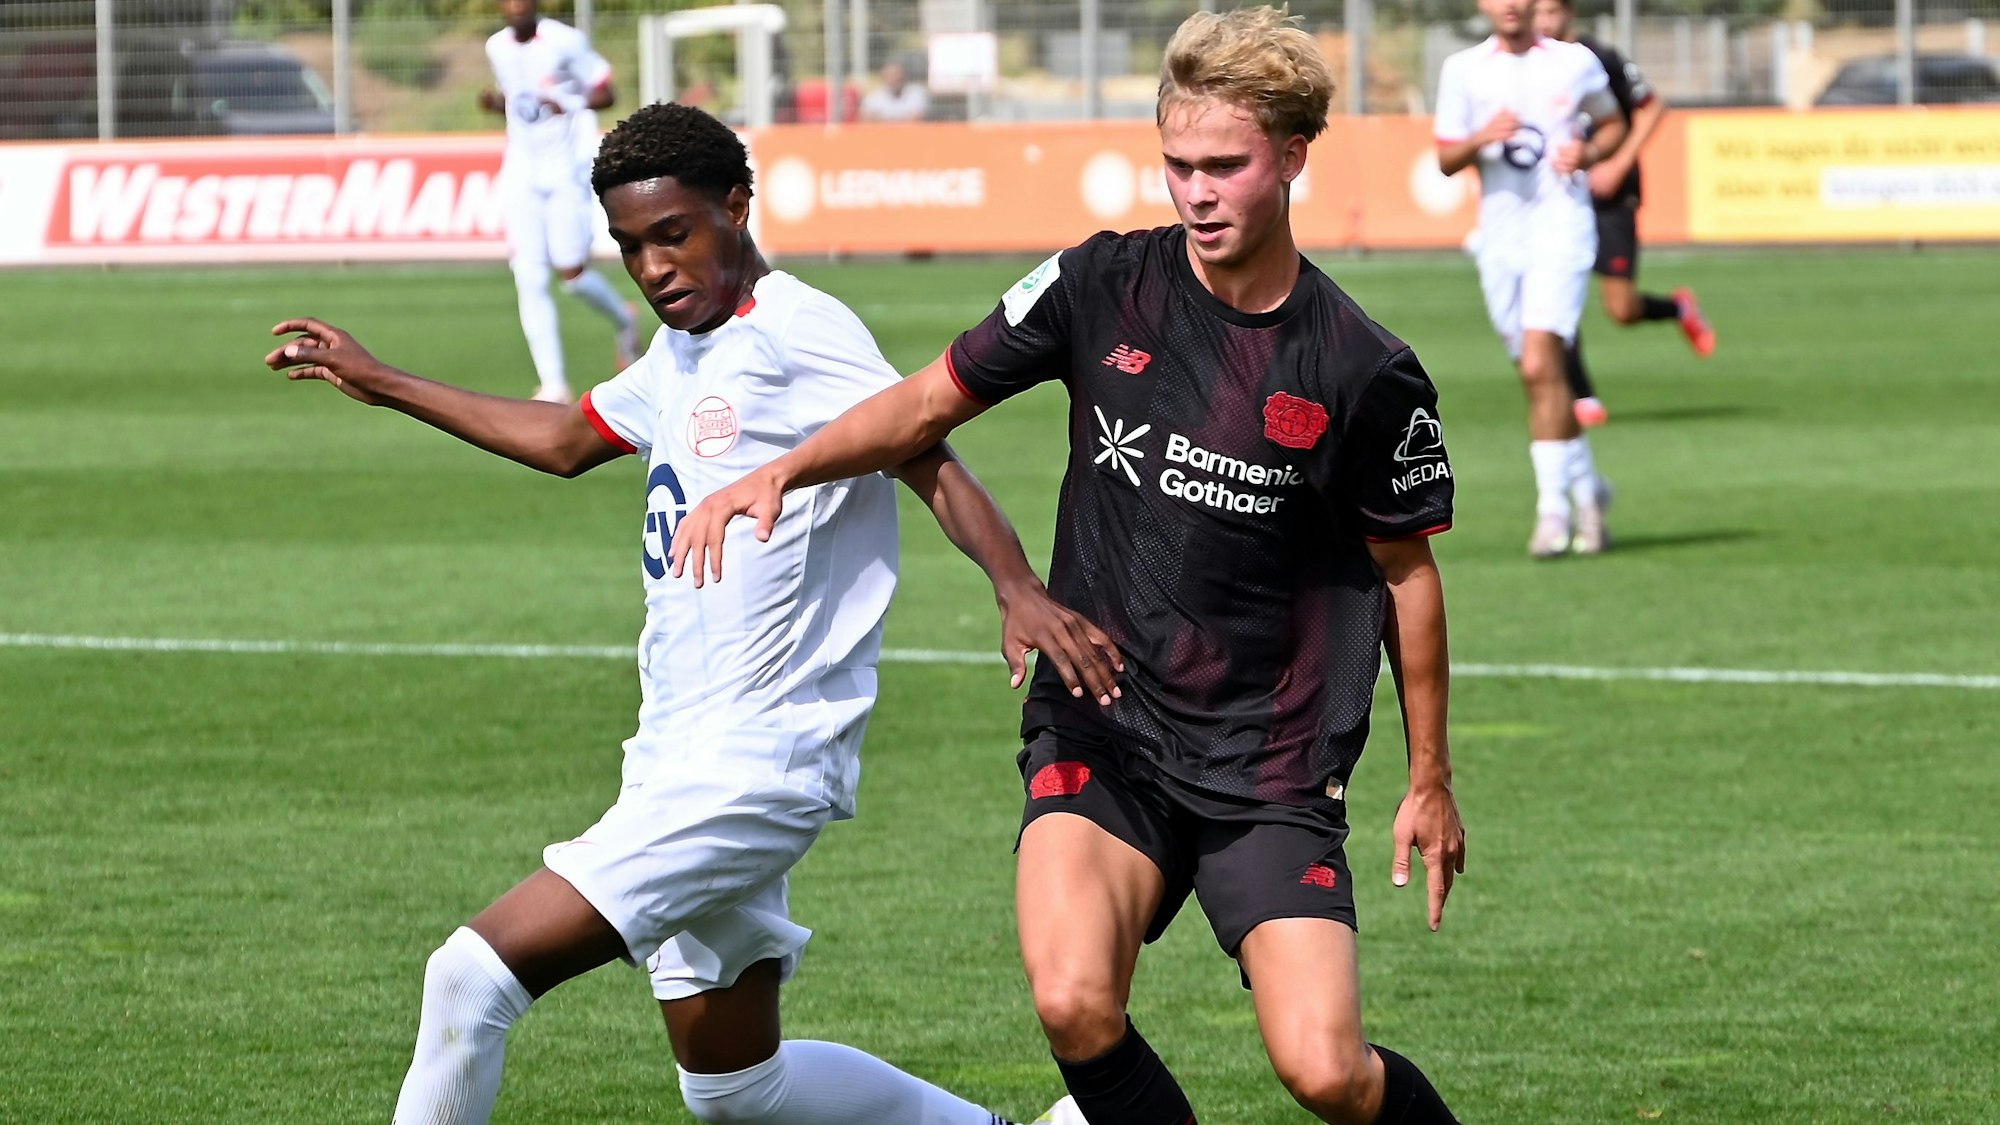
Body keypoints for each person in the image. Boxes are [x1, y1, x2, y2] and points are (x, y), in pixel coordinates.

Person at [669, 9, 1468, 1124]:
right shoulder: (1100, 283)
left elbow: (1405, 577)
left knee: (1325, 1074)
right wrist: (785, 472)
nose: (1196, 192)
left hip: (1269, 764)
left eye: (1224, 166)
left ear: (1290, 157)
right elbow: (926, 400)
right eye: (1177, 163)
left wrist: (1428, 779)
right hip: (1105, 724)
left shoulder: (1360, 367)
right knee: (1073, 1002)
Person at [265, 102, 1115, 1125]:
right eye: (630, 247)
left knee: (468, 979)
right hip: (672, 754)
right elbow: (569, 438)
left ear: (736, 207)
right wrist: (383, 379)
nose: (654, 266)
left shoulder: (798, 329)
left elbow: (922, 446)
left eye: (673, 234)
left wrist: (1015, 585)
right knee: (736, 1092)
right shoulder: (680, 354)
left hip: (754, 763)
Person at [1434, 0, 1628, 557]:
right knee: (1536, 376)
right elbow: (1446, 158)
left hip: (1562, 229)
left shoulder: (1574, 61)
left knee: (1544, 362)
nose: (1513, 5)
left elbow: (1614, 123)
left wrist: (1587, 150)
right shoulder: (1464, 70)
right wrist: (1481, 138)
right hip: (1501, 240)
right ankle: (1590, 489)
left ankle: (1552, 512)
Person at [1532, 0, 1716, 429]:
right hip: (1557, 198)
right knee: (1555, 302)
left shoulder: (1599, 58)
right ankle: (1583, 397)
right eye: (1537, 12)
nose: (1544, 22)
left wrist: (1616, 164)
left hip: (1610, 194)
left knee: (1622, 308)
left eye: (1551, 12)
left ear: (1569, 13)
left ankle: (1679, 309)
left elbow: (1651, 108)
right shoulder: (1526, 67)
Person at [481, 0, 639, 404]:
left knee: (572, 274)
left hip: (566, 172)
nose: (516, 6)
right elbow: (519, 103)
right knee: (529, 276)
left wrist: (568, 103)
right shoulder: (496, 47)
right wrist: (496, 105)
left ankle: (624, 320)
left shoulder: (565, 42)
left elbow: (606, 92)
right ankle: (553, 385)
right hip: (521, 173)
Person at [859, 61, 929, 122]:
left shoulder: (916, 93)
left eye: (897, 74)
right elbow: (866, 117)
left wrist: (880, 119)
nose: (895, 78)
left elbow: (916, 118)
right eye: (890, 75)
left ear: (904, 75)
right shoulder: (874, 97)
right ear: (884, 76)